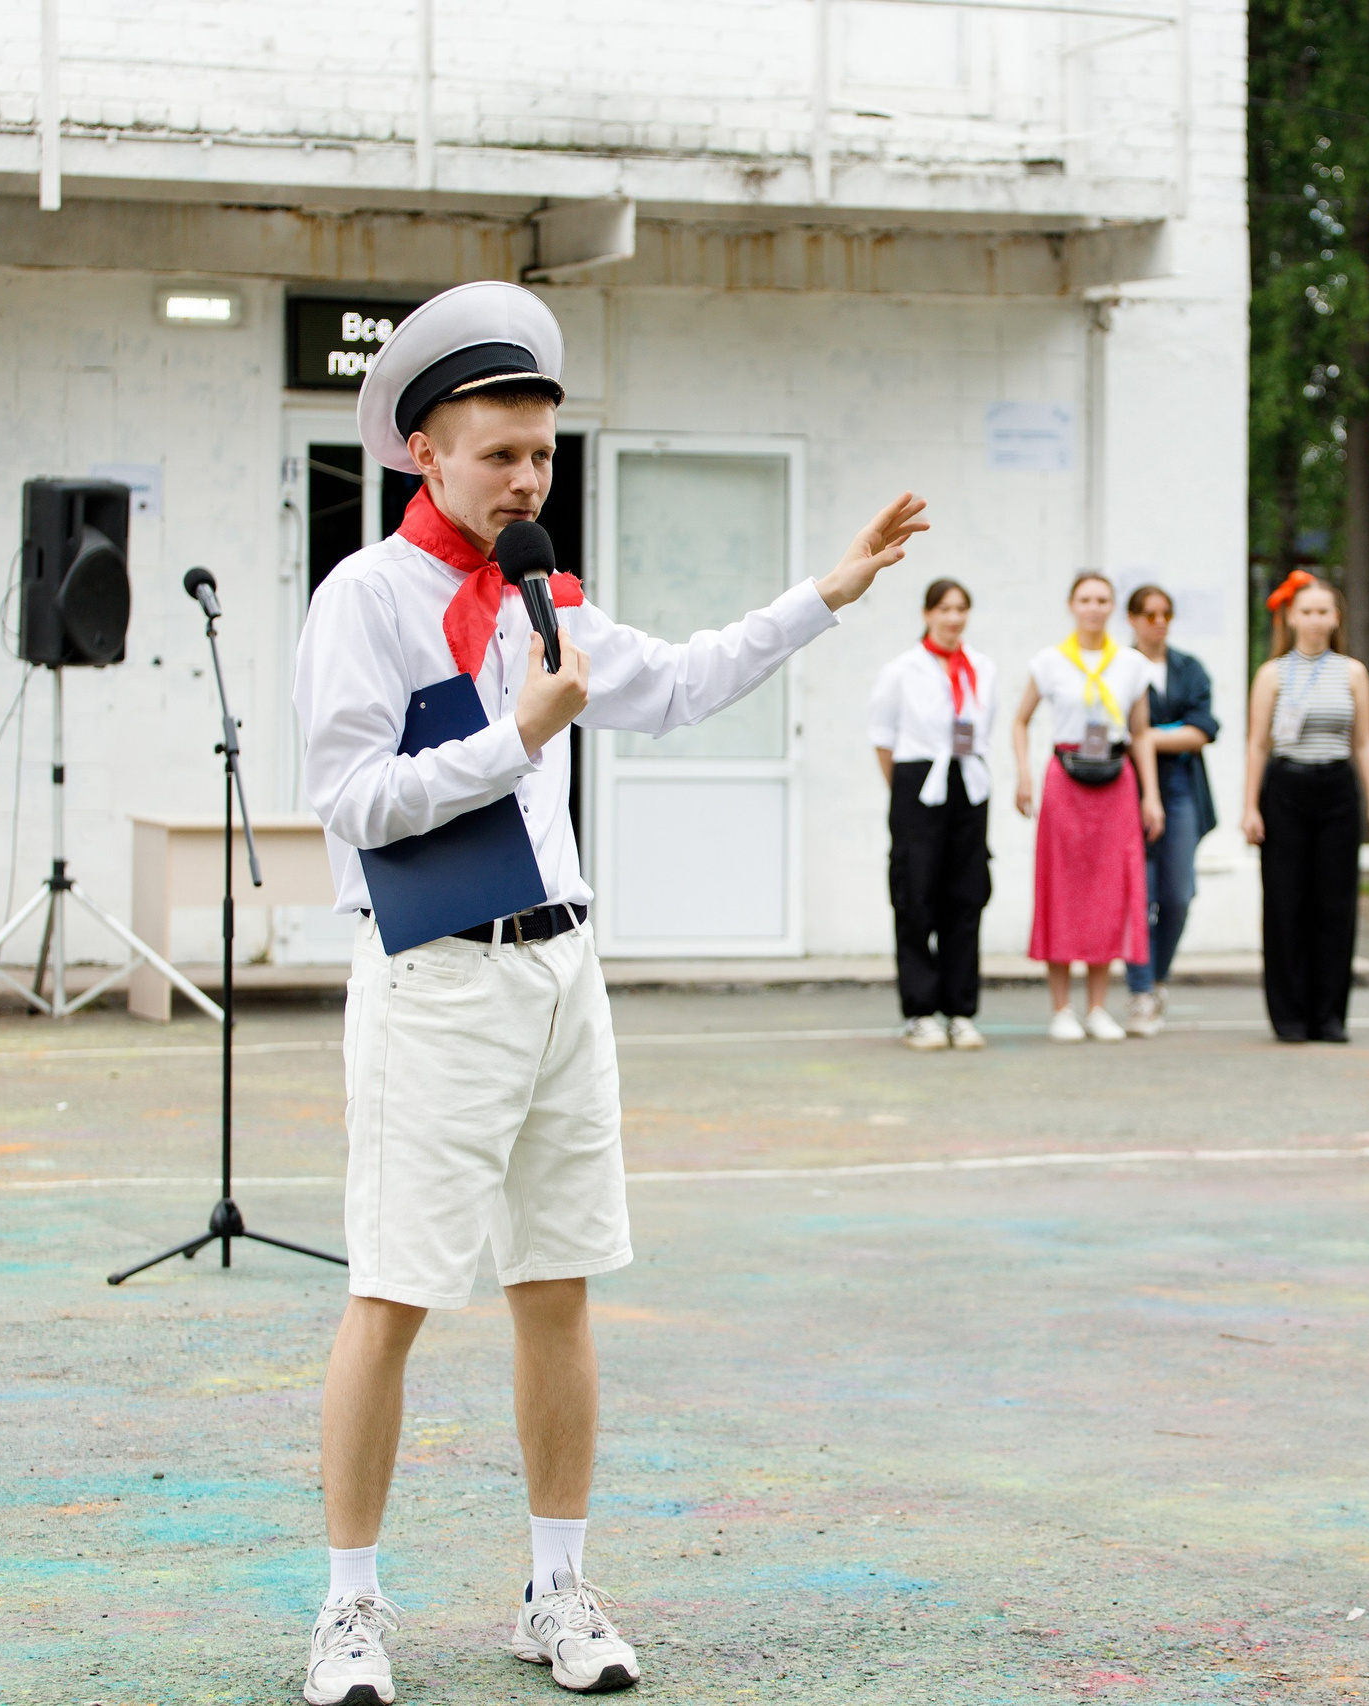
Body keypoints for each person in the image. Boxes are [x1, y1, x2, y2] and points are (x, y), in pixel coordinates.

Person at [291, 280, 927, 1705]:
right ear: (423, 451)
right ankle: (348, 1607)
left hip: (562, 970)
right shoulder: (367, 600)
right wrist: (515, 736)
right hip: (436, 975)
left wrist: (826, 593)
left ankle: (555, 1585)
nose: (526, 476)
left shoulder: (544, 600)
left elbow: (688, 681)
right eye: (497, 450)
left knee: (558, 1283)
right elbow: (350, 799)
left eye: (541, 452)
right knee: (393, 1289)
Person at [1010, 570, 1163, 1042]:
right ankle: (1061, 1008)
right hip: (1066, 779)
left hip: (1115, 782)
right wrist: (1024, 775)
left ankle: (1098, 1006)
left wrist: (1151, 796)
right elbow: (1020, 720)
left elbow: (1141, 733)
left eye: (1102, 599)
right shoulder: (1051, 662)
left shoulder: (1132, 665)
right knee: (1062, 889)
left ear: (1111, 607)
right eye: (1085, 599)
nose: (1094, 607)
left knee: (1107, 892)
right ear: (1072, 605)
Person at [1241, 572, 1369, 1043]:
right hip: (1286, 788)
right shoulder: (1272, 674)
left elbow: (1364, 742)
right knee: (1286, 901)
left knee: (1335, 903)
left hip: (1336, 790)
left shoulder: (1352, 672)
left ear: (1336, 618)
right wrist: (1250, 807)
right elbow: (1258, 744)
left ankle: (1329, 1014)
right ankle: (1289, 1016)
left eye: (1324, 611)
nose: (1315, 619)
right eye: (1306, 611)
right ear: (1290, 617)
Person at [869, 577, 995, 1051]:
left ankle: (960, 1010)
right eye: (944, 608)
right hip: (918, 782)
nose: (953, 618)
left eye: (961, 609)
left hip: (969, 779)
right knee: (915, 894)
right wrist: (905, 792)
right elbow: (882, 738)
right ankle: (921, 1011)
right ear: (927, 614)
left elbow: (986, 727)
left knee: (966, 895)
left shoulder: (982, 667)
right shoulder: (902, 670)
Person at [1119, 583, 1218, 1037]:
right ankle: (1139, 990)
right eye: (1149, 614)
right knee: (1138, 894)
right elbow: (1112, 727)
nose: (1158, 622)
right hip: (1127, 788)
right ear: (1134, 619)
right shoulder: (1118, 666)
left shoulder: (1189, 669)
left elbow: (1202, 730)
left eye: (1165, 614)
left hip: (1180, 787)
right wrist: (1164, 732)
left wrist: (1146, 735)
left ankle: (1158, 978)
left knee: (1176, 895)